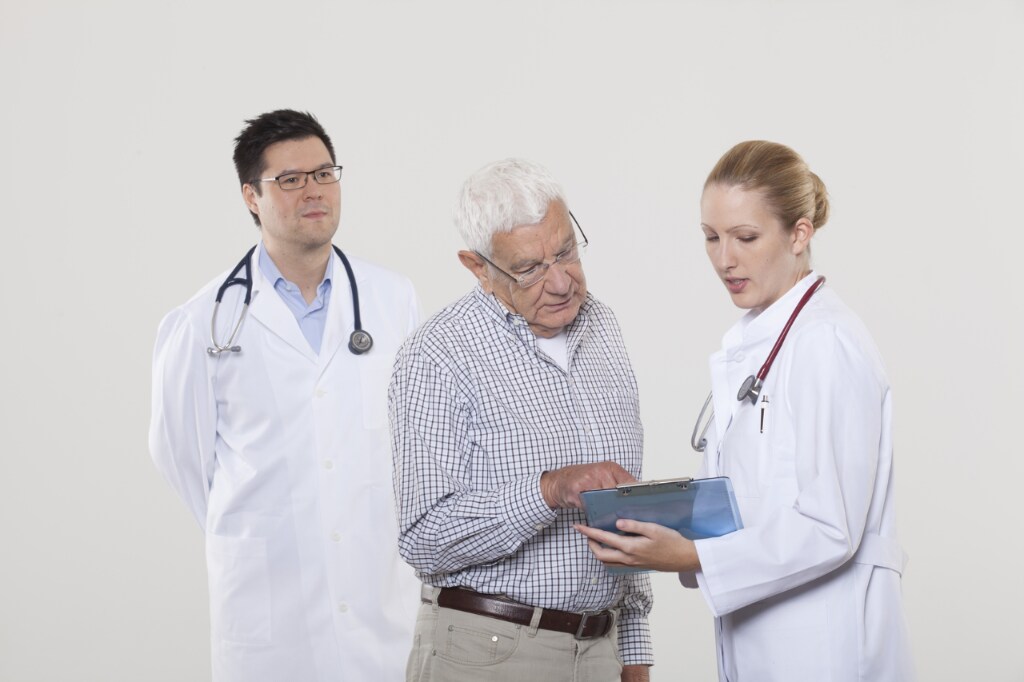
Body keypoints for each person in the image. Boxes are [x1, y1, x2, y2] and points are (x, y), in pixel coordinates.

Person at [577, 141, 914, 680]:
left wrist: (693, 557)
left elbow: (831, 526)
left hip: (825, 643)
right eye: (711, 237)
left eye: (745, 237)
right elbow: (750, 501)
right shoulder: (759, 343)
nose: (724, 259)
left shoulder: (826, 342)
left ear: (799, 234)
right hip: (763, 637)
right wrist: (668, 520)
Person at [149, 109, 420, 682]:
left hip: (382, 616)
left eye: (324, 173)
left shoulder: (394, 300)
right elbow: (182, 459)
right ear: (251, 196)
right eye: (290, 180)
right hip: (270, 621)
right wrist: (267, 524)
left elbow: (413, 445)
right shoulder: (204, 322)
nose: (313, 191)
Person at [389, 158, 653, 682]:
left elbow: (623, 507)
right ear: (477, 266)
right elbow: (422, 537)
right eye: (530, 268)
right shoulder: (437, 355)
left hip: (600, 650)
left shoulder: (602, 326)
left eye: (566, 252)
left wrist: (634, 650)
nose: (560, 282)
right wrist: (548, 490)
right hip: (487, 652)